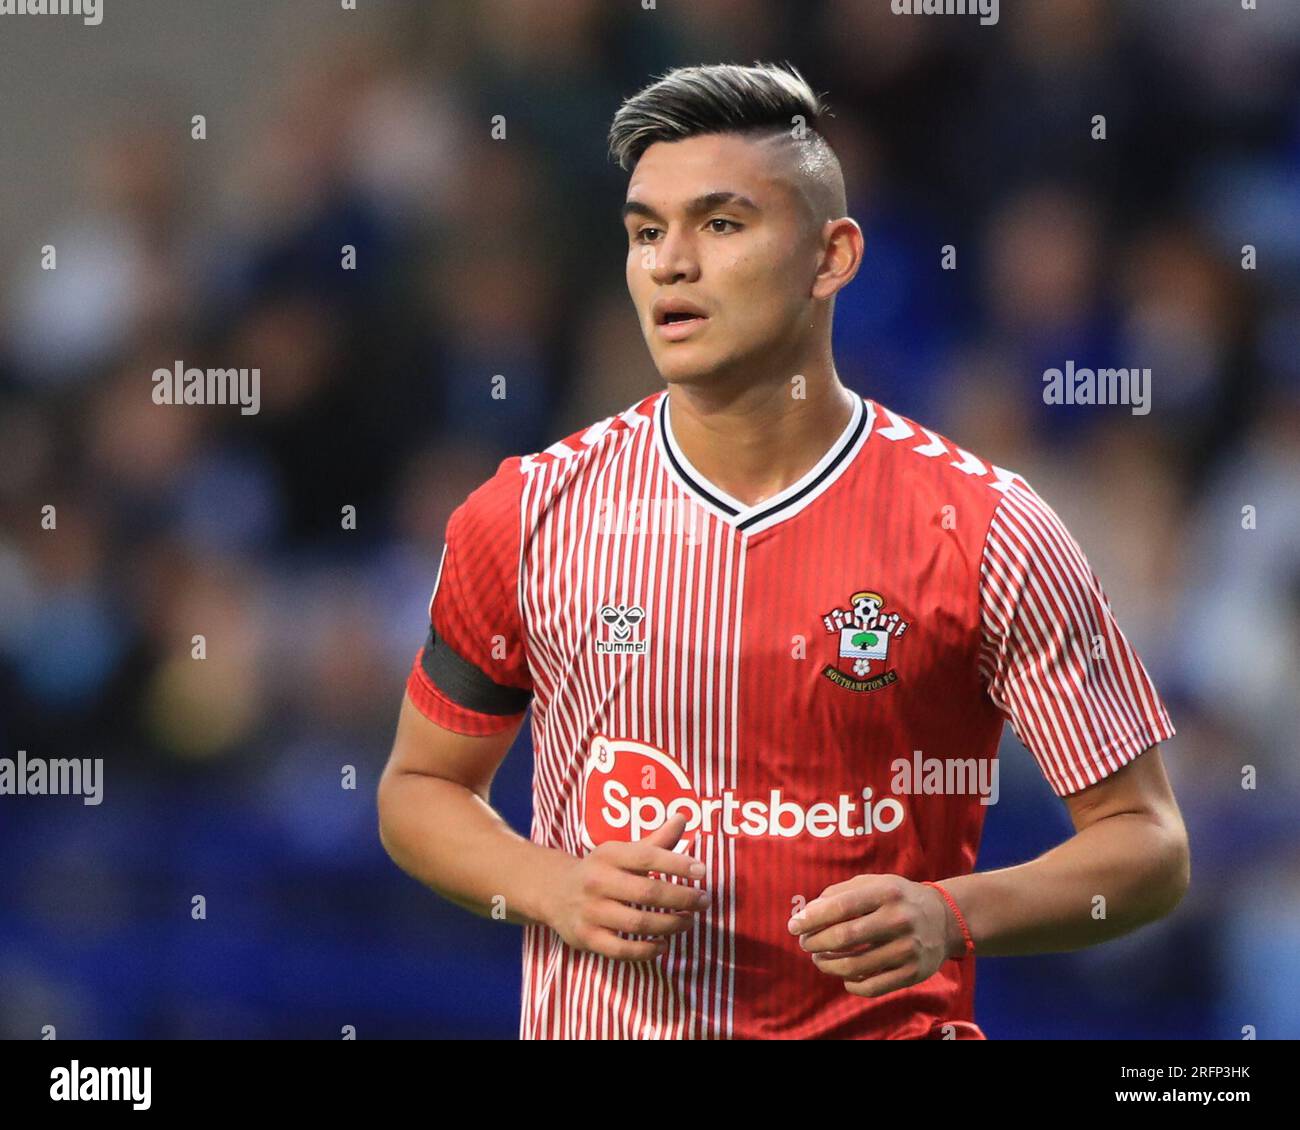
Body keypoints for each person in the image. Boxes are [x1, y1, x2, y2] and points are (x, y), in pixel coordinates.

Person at [377, 61, 1188, 1040]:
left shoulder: (985, 527)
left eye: (721, 224)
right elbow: (419, 789)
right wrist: (550, 885)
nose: (672, 262)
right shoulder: (526, 513)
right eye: (645, 232)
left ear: (830, 255)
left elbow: (1147, 846)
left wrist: (955, 911)